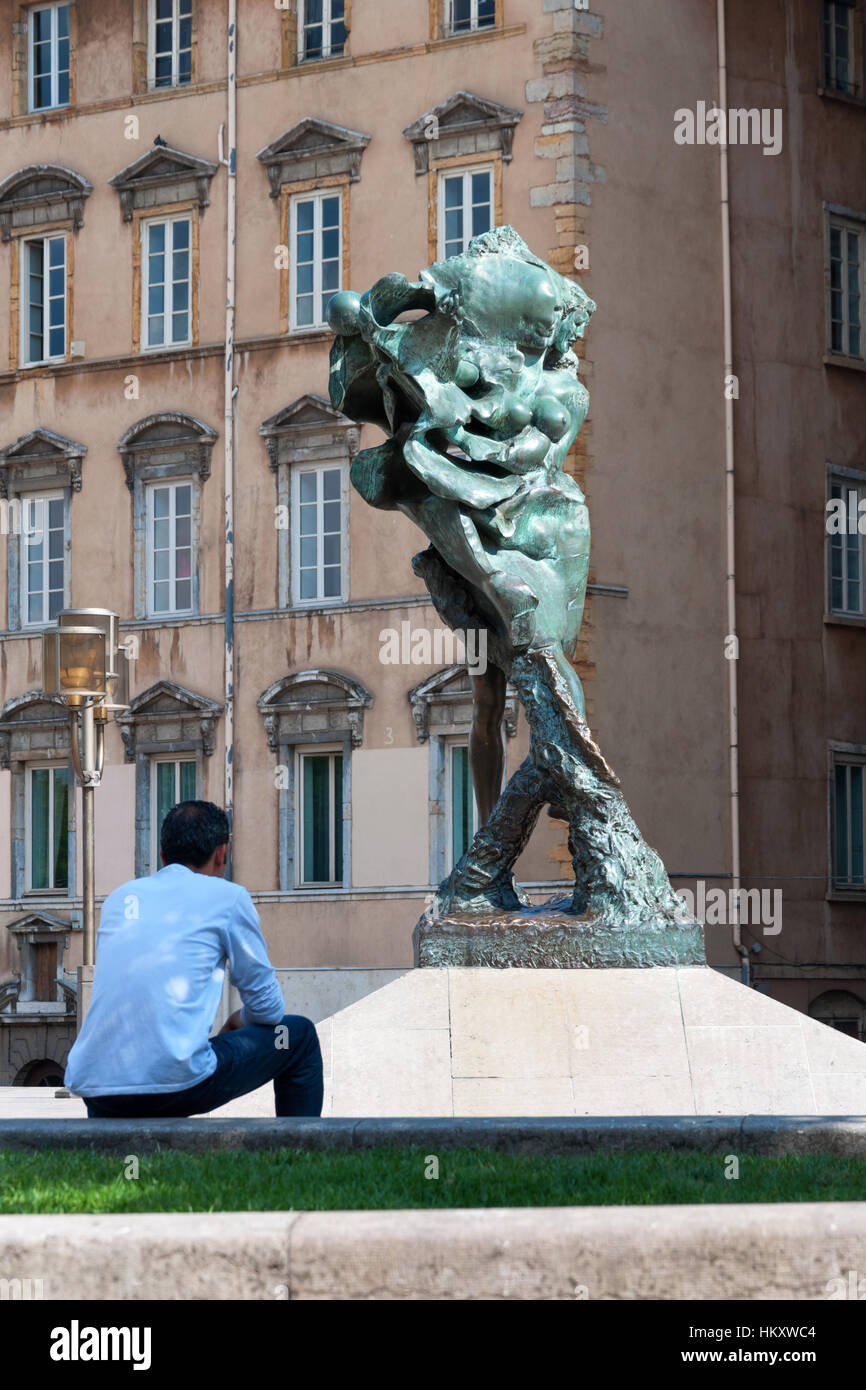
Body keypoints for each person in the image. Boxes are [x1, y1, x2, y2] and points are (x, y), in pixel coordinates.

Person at [64, 800, 323, 1119]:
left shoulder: (120, 899)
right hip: (176, 1087)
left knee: (155, 1076)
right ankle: (301, 1153)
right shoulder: (229, 897)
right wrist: (237, 1021)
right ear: (222, 854)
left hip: (98, 1090)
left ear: (162, 857)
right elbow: (269, 1009)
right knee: (299, 1036)